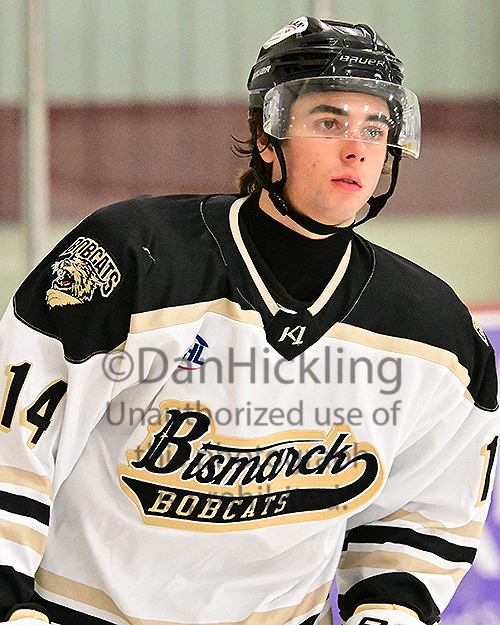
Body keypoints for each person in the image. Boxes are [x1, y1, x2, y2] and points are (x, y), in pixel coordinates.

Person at [0, 16, 497, 625]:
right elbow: (15, 443)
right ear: (267, 136)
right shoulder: (132, 258)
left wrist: (389, 612)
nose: (357, 147)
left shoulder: (433, 331)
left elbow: (423, 515)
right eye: (329, 122)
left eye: (375, 127)